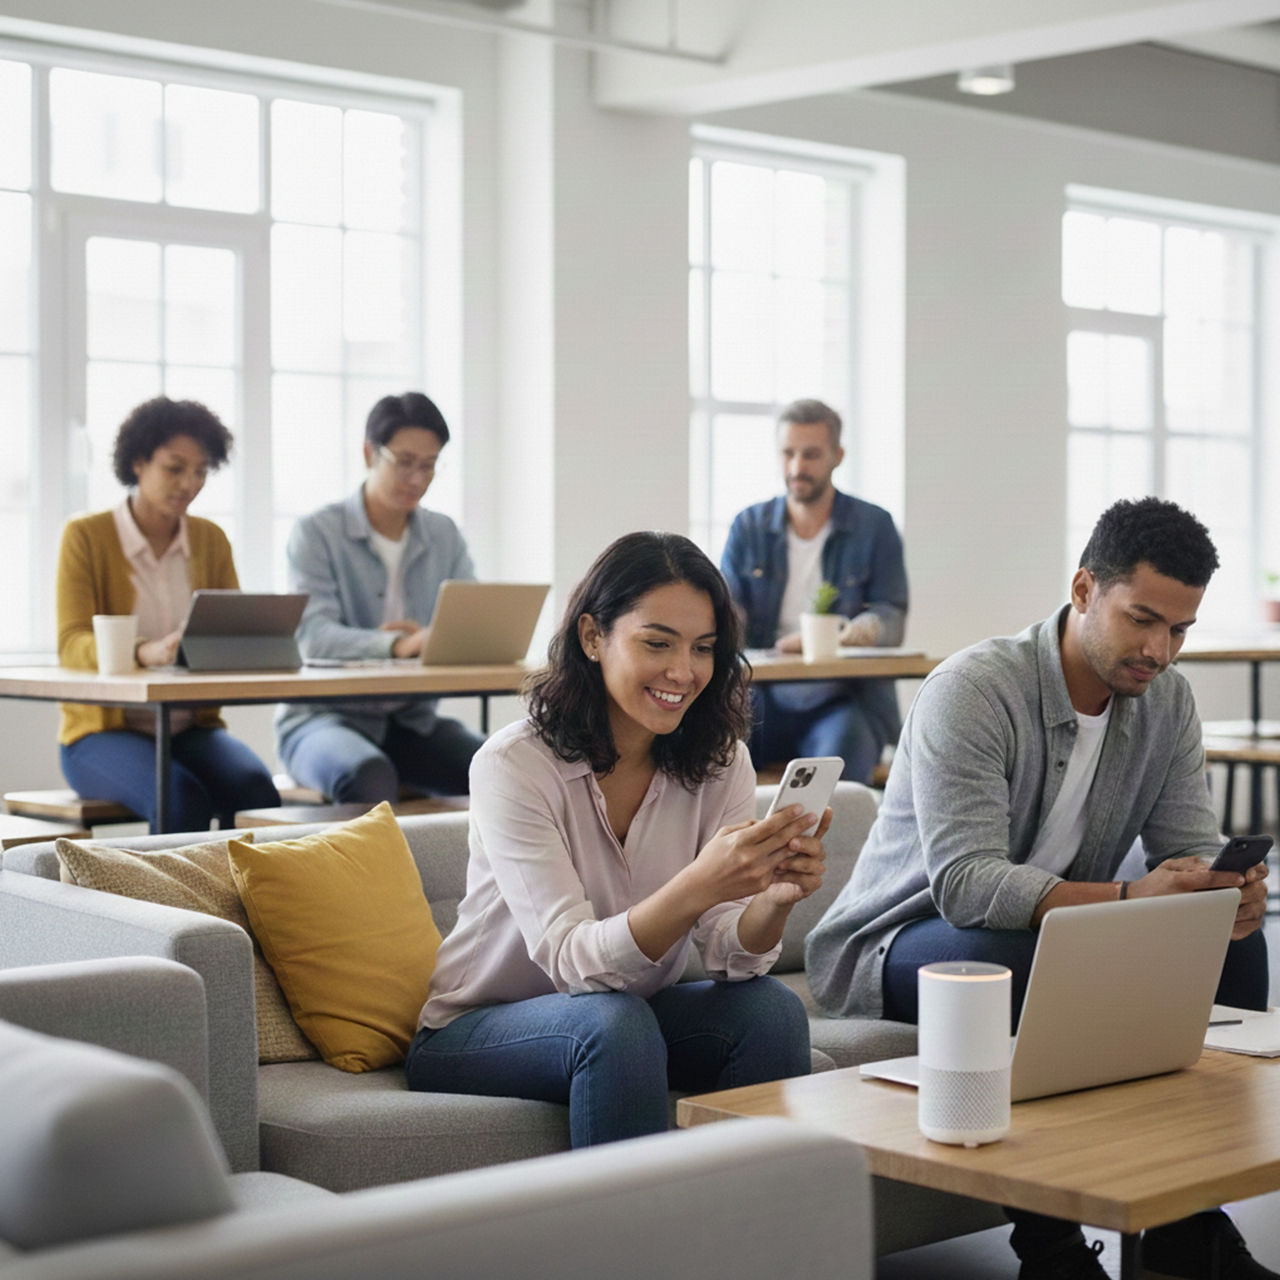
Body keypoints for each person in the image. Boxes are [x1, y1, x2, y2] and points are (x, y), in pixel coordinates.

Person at [806, 496, 1275, 1280]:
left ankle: (1188, 1225)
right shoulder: (975, 689)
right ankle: (1052, 1251)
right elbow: (964, 884)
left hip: (1049, 926)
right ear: (1085, 589)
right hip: (902, 938)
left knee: (1234, 948)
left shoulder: (1166, 702)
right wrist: (1132, 902)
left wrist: (1223, 891)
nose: (1160, 651)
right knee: (1024, 966)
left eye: (1180, 630)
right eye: (1143, 620)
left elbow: (1188, 846)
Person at [406, 531, 827, 1147]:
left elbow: (731, 956)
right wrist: (697, 885)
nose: (683, 673)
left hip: (626, 1014)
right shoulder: (514, 765)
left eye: (704, 649)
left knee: (770, 1010)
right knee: (613, 1024)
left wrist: (773, 897)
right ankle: (634, 1244)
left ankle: (757, 1234)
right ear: (592, 638)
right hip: (478, 1028)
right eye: (657, 643)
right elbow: (572, 961)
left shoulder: (720, 763)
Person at [56, 396, 280, 833]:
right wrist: (146, 652)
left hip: (188, 729)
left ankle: (244, 901)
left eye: (200, 470)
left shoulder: (210, 539)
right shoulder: (86, 535)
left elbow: (229, 632)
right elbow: (72, 642)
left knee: (257, 792)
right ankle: (173, 905)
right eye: (175, 468)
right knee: (180, 799)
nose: (189, 483)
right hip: (99, 736)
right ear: (138, 462)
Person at [275, 392, 484, 803]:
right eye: (404, 462)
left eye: (429, 465)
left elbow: (468, 624)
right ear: (369, 452)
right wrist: (398, 645)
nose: (417, 478)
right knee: (368, 775)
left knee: (498, 765)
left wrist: (440, 637)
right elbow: (313, 636)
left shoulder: (444, 534)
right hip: (323, 722)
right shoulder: (317, 532)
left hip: (413, 723)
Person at [720, 398, 908, 784]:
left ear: (837, 455)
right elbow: (726, 610)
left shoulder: (875, 526)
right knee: (714, 752)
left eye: (810, 455)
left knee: (837, 775)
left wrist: (838, 636)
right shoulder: (748, 526)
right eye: (788, 454)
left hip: (842, 697)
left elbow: (891, 615)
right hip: (760, 694)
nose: (796, 468)